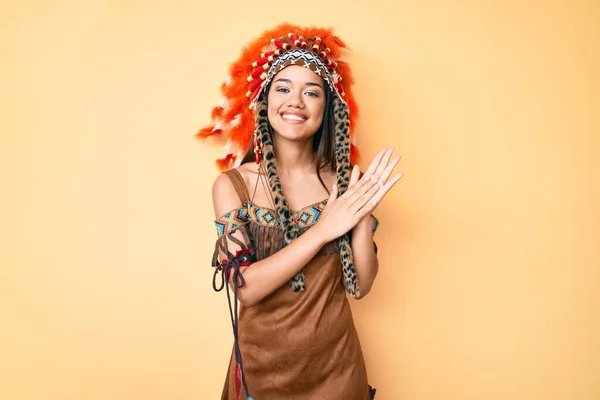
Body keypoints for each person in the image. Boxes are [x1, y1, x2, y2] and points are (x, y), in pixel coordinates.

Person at [197, 23, 403, 400]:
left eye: (312, 92)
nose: (296, 101)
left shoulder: (341, 183)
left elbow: (361, 286)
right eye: (283, 88)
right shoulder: (232, 186)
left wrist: (358, 215)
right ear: (263, 102)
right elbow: (246, 288)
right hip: (261, 372)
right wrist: (323, 230)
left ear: (328, 110)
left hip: (337, 369)